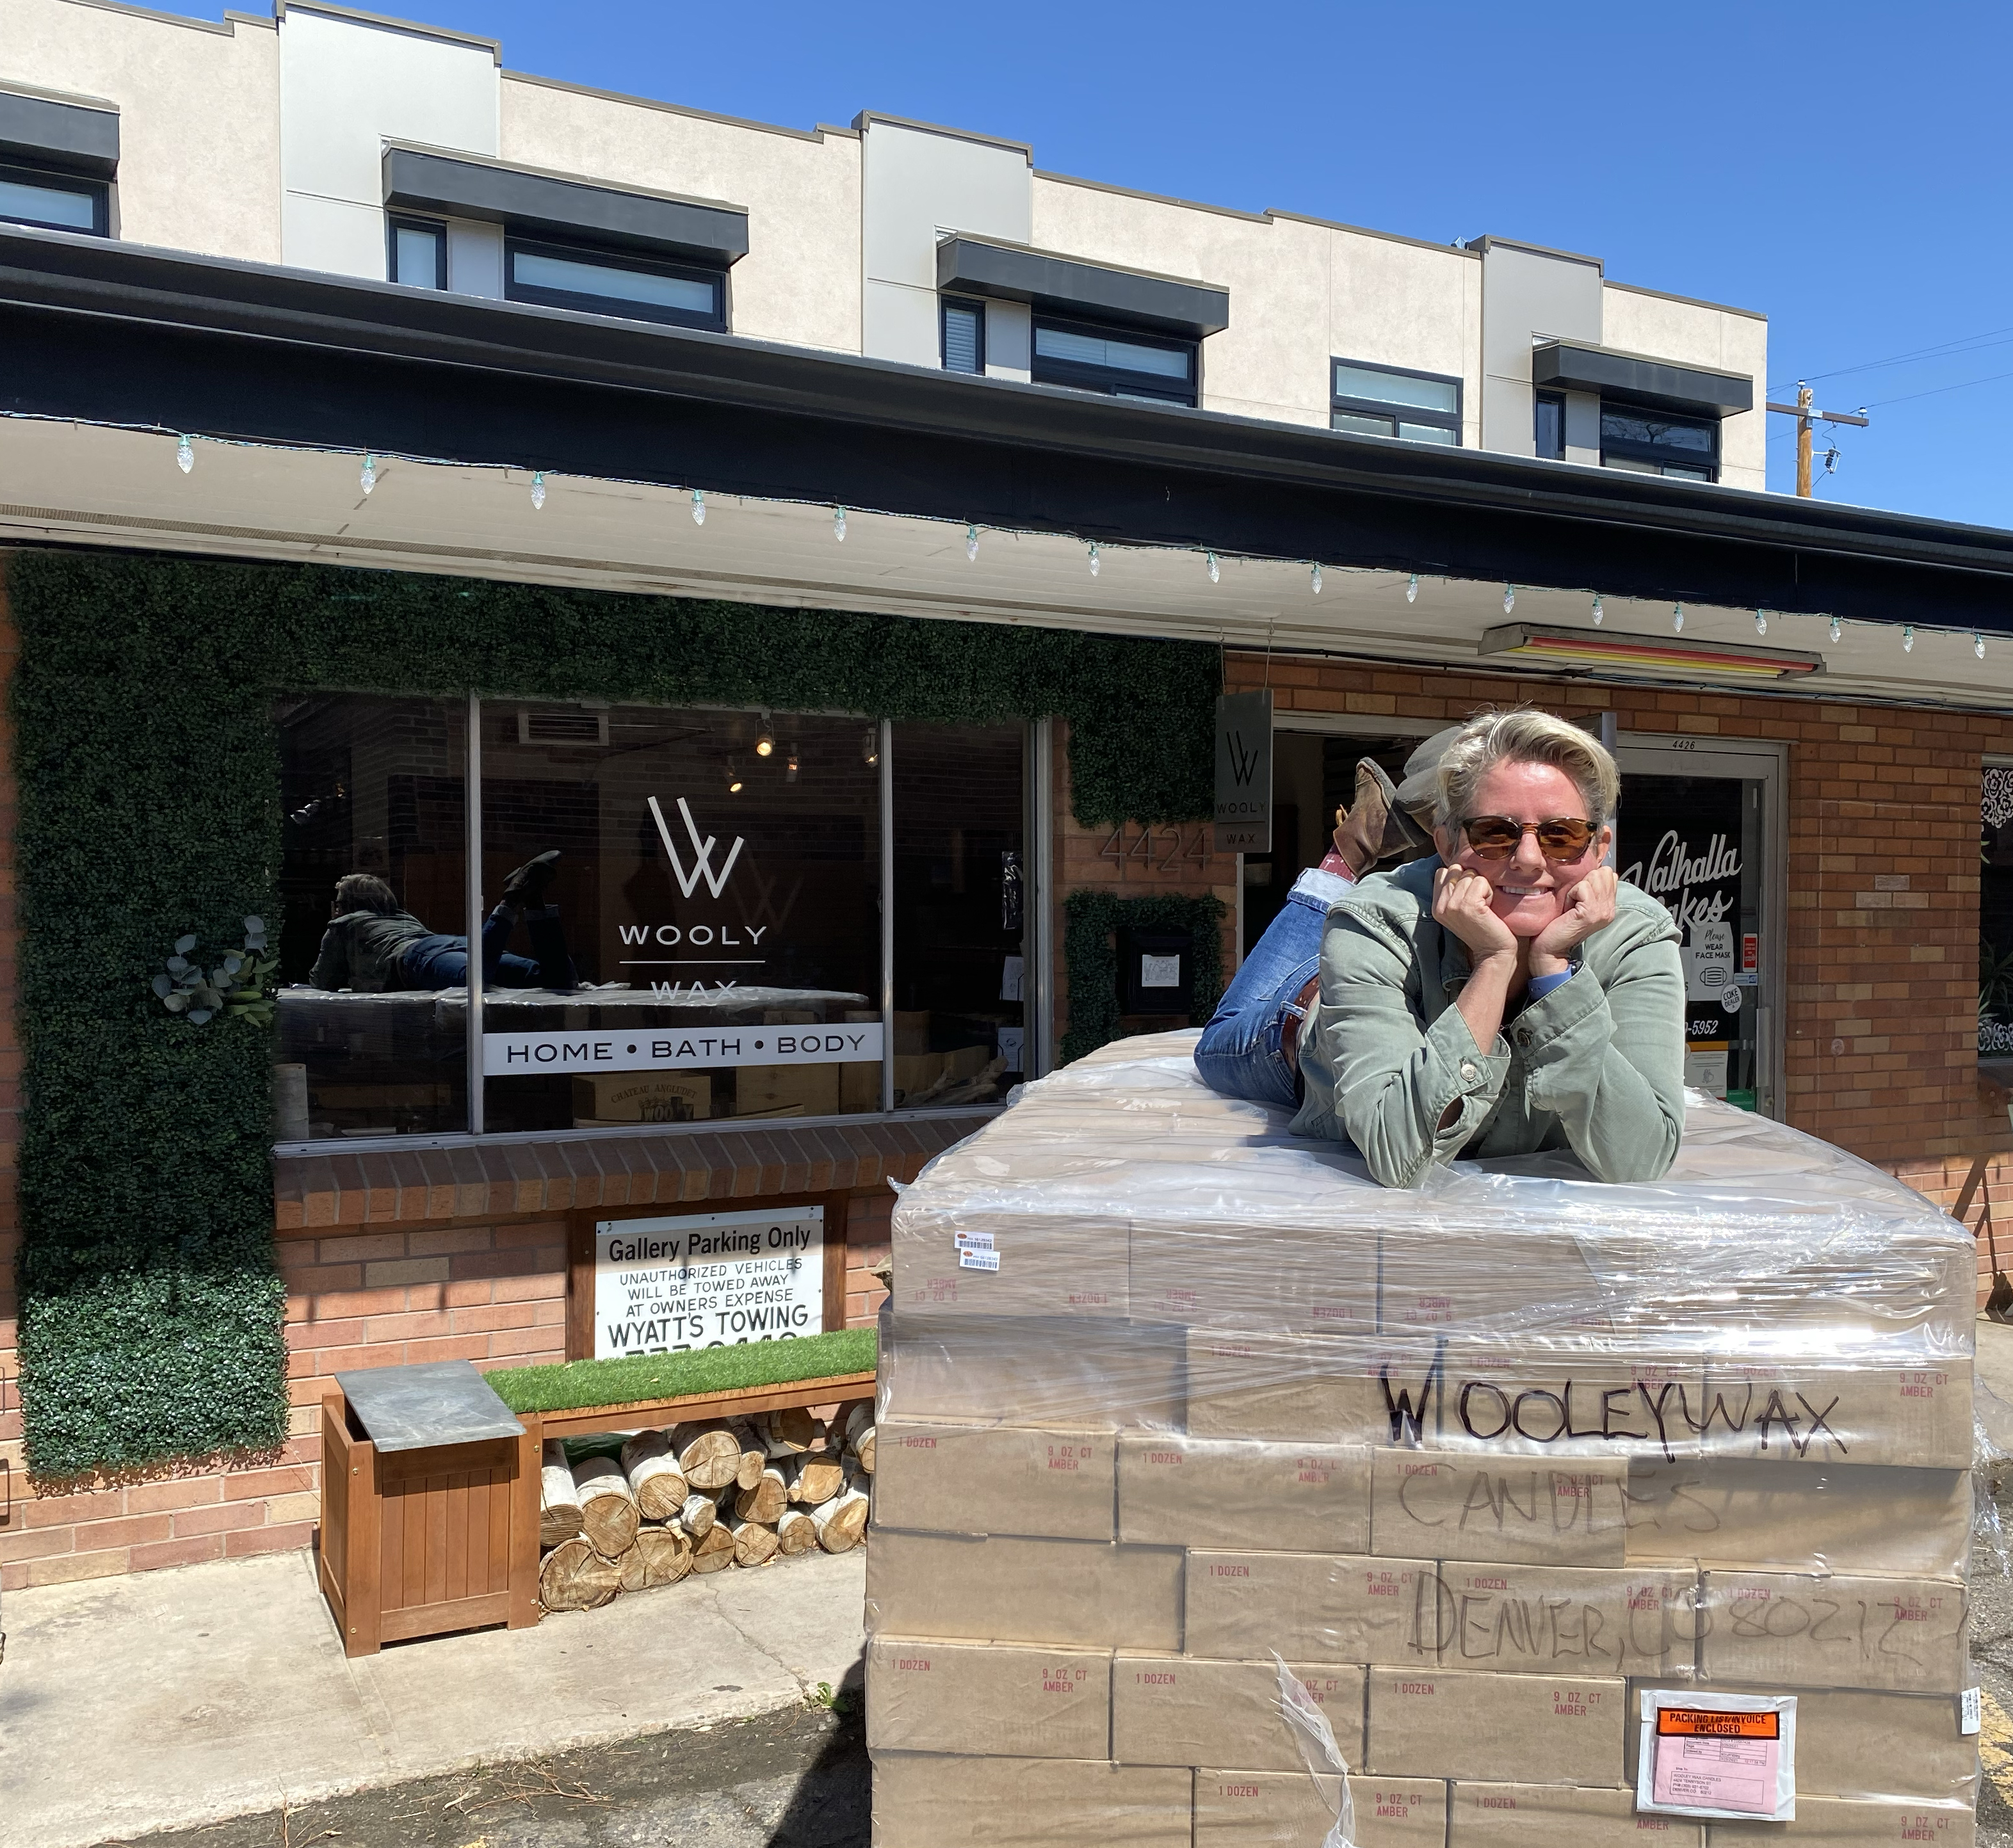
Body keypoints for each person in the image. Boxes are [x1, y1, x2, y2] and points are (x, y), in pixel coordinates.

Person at [1291, 709, 1684, 1187]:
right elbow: (1399, 1156)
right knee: (1232, 1027)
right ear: (1447, 843)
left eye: (1562, 835)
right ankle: (1347, 855)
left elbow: (1641, 1159)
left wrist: (1554, 975)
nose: (1529, 860)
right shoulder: (1375, 922)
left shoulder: (1635, 932)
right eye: (1495, 833)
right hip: (1292, 1033)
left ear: (1599, 848)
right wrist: (1495, 964)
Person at [1193, 730, 1455, 1109]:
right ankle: (1354, 848)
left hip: (1317, 1000)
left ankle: (1350, 851)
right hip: (1307, 1017)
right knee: (1215, 1044)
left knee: (1223, 1032)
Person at [307, 852, 579, 992]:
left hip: (417, 958)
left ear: (347, 905)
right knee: (559, 981)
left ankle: (512, 899)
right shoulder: (401, 917)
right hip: (454, 945)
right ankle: (534, 900)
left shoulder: (344, 925)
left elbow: (323, 980)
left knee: (472, 982)